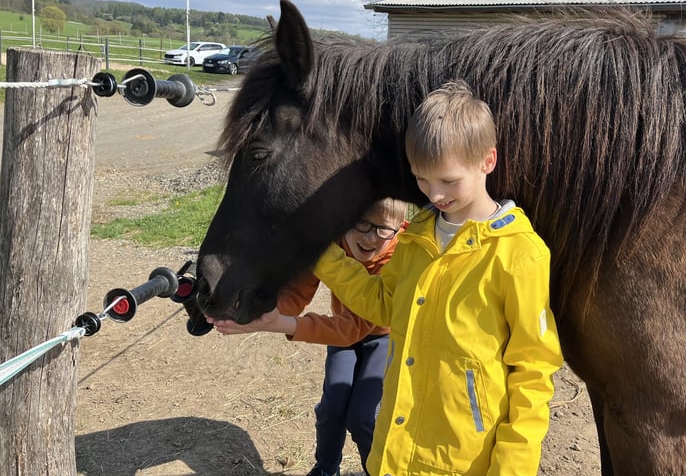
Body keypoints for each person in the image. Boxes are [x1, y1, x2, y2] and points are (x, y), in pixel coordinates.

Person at [311, 80, 563, 475]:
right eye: (422, 179)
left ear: (487, 161)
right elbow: (383, 304)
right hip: (396, 454)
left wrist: (512, 467)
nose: (435, 194)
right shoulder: (417, 236)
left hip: (462, 462)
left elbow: (533, 370)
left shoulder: (519, 254)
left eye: (448, 181)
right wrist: (321, 255)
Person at [210, 198, 408, 476]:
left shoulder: (401, 256)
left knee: (363, 417)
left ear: (399, 227)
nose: (369, 237)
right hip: (343, 334)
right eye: (361, 224)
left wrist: (282, 325)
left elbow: (355, 326)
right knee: (331, 410)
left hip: (385, 338)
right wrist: (253, 310)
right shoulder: (330, 245)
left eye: (383, 229)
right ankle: (325, 468)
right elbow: (294, 296)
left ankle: (378, 469)